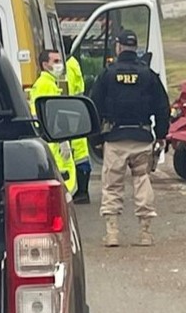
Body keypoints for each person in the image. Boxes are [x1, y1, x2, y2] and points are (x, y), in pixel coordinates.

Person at [89, 30, 170, 247]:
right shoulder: (148, 75)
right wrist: (161, 135)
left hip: (115, 138)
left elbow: (93, 106)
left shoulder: (107, 74)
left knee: (112, 185)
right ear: (135, 48)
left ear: (118, 47)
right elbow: (163, 107)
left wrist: (95, 137)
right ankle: (145, 233)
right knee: (142, 181)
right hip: (142, 137)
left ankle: (112, 232)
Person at [28, 49, 77, 195]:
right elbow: (49, 114)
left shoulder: (48, 82)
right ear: (45, 65)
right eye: (55, 61)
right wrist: (62, 139)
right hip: (53, 140)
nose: (60, 65)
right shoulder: (45, 84)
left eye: (60, 61)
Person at [63, 38, 92, 204]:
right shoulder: (73, 62)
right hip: (76, 109)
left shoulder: (68, 65)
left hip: (69, 111)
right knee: (80, 151)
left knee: (78, 152)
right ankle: (82, 190)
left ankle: (81, 191)